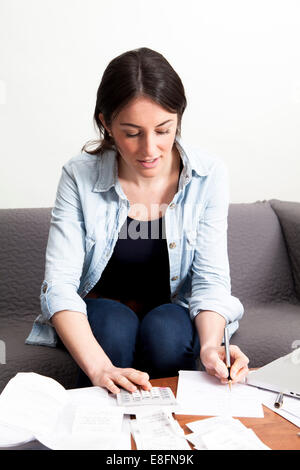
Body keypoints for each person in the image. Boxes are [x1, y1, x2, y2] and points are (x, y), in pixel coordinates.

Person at [26, 47, 249, 394]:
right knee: (114, 327)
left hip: (171, 309)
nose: (150, 150)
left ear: (178, 119)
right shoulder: (77, 175)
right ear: (106, 124)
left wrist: (210, 347)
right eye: (132, 133)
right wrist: (100, 369)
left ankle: (168, 437)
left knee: (168, 333)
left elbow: (210, 282)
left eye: (164, 130)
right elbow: (59, 286)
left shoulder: (209, 175)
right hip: (103, 309)